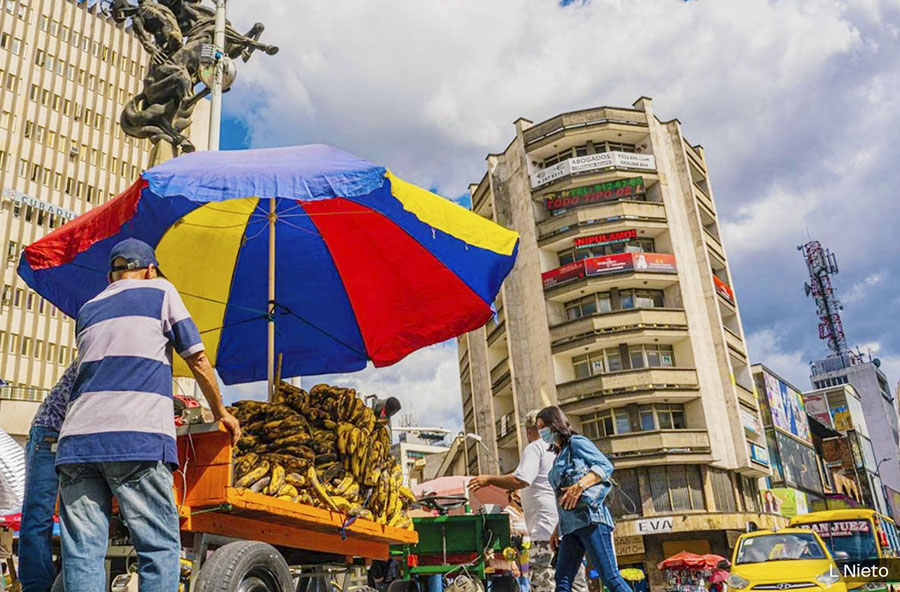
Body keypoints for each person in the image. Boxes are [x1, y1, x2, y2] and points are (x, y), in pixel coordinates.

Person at [56, 238, 241, 592]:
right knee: (157, 546)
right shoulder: (160, 291)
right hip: (135, 437)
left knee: (82, 552)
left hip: (76, 442)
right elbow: (197, 358)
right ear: (150, 269)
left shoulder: (89, 308)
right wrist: (222, 412)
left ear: (112, 276)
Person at [470, 411, 587, 592]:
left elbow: (521, 479)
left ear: (528, 430)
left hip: (544, 534)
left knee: (544, 585)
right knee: (576, 585)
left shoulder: (536, 448)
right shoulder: (564, 450)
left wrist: (489, 480)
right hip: (570, 529)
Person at [536, 406, 629, 592]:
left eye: (543, 426)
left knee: (609, 577)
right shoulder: (558, 456)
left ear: (555, 424)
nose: (540, 432)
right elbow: (563, 497)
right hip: (570, 527)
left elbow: (605, 465)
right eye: (538, 428)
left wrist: (579, 486)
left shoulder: (576, 443)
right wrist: (557, 529)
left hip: (590, 519)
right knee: (561, 580)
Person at [18, 362, 78, 592]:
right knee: (38, 515)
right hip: (51, 432)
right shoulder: (98, 347)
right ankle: (37, 586)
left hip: (73, 438)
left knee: (76, 516)